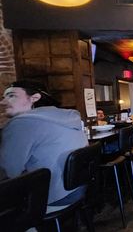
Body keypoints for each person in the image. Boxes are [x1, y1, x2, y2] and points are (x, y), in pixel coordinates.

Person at [0, 80, 88, 212]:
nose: (3, 102)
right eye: (4, 97)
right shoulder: (68, 116)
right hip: (78, 189)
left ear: (35, 98)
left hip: (52, 197)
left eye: (12, 95)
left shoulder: (21, 124)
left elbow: (8, 173)